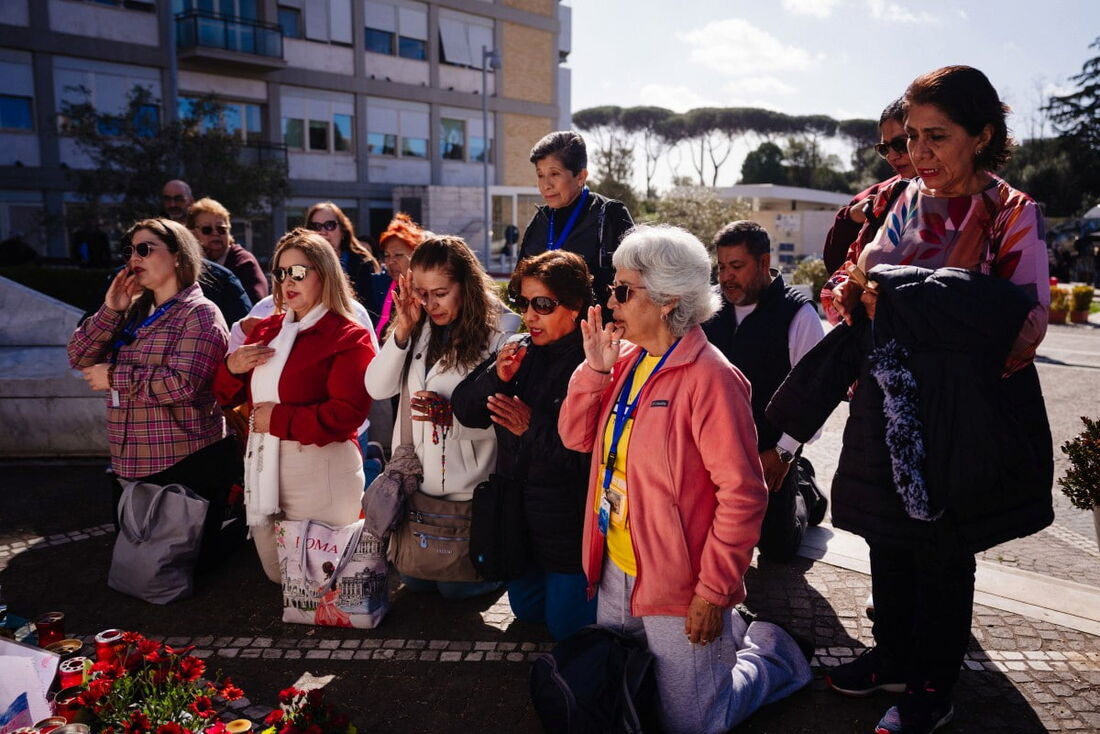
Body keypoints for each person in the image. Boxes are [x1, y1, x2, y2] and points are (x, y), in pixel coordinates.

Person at [806, 66, 1051, 734]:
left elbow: (1026, 325)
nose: (919, 154)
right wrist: (864, 293)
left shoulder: (1012, 212)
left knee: (944, 548)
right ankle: (892, 657)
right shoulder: (911, 199)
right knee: (888, 536)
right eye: (911, 138)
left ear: (983, 135)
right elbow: (859, 282)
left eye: (936, 137)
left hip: (965, 413)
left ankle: (933, 686)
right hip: (891, 401)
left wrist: (911, 303)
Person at [557, 225, 812, 734]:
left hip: (679, 581)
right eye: (614, 288)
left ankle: (775, 655)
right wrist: (593, 373)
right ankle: (727, 643)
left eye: (623, 290)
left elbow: (743, 496)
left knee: (698, 722)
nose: (611, 301)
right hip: (615, 565)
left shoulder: (713, 379)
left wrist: (713, 593)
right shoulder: (624, 362)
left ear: (669, 298)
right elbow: (575, 438)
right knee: (628, 688)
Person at [67, 218, 238, 571]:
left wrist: (115, 376)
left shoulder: (201, 314)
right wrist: (111, 308)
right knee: (139, 563)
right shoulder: (131, 309)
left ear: (177, 256)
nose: (134, 258)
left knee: (180, 568)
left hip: (182, 460)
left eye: (145, 249)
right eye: (129, 250)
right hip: (128, 459)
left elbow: (182, 383)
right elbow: (78, 356)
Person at [214, 229, 376, 584]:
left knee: (322, 583)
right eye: (281, 272)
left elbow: (348, 413)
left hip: (321, 470)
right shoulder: (267, 330)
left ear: (325, 273)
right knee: (279, 576)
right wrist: (231, 368)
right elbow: (227, 397)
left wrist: (279, 419)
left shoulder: (348, 335)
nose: (288, 280)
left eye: (299, 272)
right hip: (264, 469)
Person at [365, 235, 520, 599]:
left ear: (465, 286)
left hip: (470, 488)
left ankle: (500, 568)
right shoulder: (416, 324)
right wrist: (401, 330)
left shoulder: (503, 329)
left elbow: (503, 418)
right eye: (421, 292)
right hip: (418, 486)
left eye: (440, 292)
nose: (430, 303)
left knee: (454, 590)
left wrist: (453, 416)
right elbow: (376, 387)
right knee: (416, 582)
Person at [452, 250, 595, 639]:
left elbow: (589, 459)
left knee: (568, 630)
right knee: (528, 613)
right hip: (516, 518)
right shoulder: (519, 348)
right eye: (523, 301)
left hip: (566, 524)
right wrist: (496, 377)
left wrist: (530, 428)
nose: (529, 315)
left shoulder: (595, 362)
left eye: (543, 304)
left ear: (575, 306)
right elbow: (465, 410)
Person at [702, 221, 826, 561]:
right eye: (722, 267)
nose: (726, 277)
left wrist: (784, 453)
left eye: (737, 266)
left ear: (763, 261)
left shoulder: (799, 314)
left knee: (776, 549)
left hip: (769, 452)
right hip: (715, 449)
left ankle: (805, 488)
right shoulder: (709, 306)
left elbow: (815, 397)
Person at [821, 98, 916, 322]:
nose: (892, 155)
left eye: (900, 144)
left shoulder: (978, 197)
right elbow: (836, 266)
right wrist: (852, 216)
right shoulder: (873, 197)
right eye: (884, 148)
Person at [516, 131, 633, 312]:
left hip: (596, 334)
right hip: (545, 333)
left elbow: (634, 287)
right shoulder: (540, 219)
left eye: (554, 174)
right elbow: (519, 282)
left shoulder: (610, 215)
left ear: (581, 176)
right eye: (540, 175)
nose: (545, 185)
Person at [304, 202, 382, 316]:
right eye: (315, 226)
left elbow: (371, 313)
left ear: (342, 231)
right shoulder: (299, 263)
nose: (322, 232)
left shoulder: (362, 264)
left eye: (330, 225)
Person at [187, 197, 267, 305]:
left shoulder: (244, 262)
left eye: (221, 229)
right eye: (207, 229)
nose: (215, 233)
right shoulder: (187, 265)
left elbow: (258, 307)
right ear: (192, 234)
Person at [372, 212, 427, 339]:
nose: (391, 261)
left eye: (398, 255)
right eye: (387, 255)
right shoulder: (382, 286)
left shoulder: (424, 292)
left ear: (415, 255)